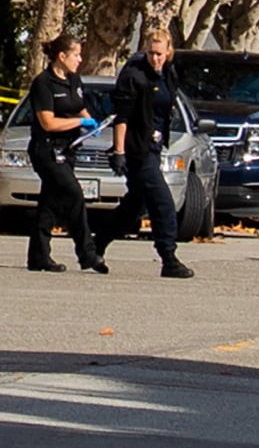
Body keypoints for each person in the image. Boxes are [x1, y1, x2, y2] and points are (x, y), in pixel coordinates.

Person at [96, 24, 195, 279]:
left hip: (154, 147)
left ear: (168, 52)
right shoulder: (134, 75)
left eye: (160, 54)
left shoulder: (168, 73)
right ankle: (168, 258)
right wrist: (119, 152)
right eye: (151, 53)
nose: (155, 58)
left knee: (134, 206)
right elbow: (122, 117)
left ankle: (95, 245)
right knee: (162, 202)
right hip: (136, 149)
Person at [25, 35, 99, 272]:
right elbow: (47, 123)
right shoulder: (43, 83)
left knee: (50, 201)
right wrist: (79, 121)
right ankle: (87, 253)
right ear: (62, 56)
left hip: (68, 150)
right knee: (73, 193)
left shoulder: (74, 80)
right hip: (46, 149)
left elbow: (79, 106)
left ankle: (38, 256)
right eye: (76, 54)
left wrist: (91, 121)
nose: (80, 59)